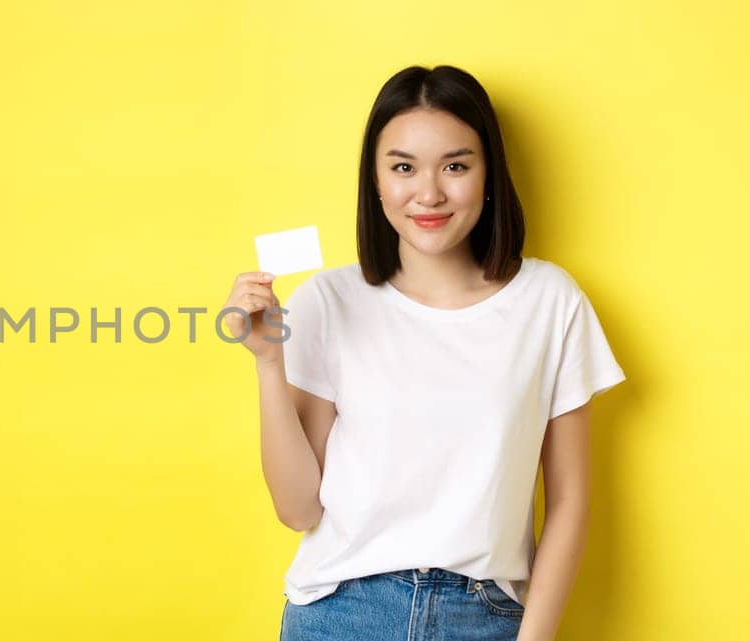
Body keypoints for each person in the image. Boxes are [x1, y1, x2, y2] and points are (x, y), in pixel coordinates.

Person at [221, 65, 626, 641]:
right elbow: (298, 510)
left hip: (485, 616)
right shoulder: (329, 299)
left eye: (456, 166)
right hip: (342, 613)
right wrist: (267, 363)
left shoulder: (548, 300)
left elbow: (570, 500)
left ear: (489, 174)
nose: (429, 193)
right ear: (376, 181)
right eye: (403, 167)